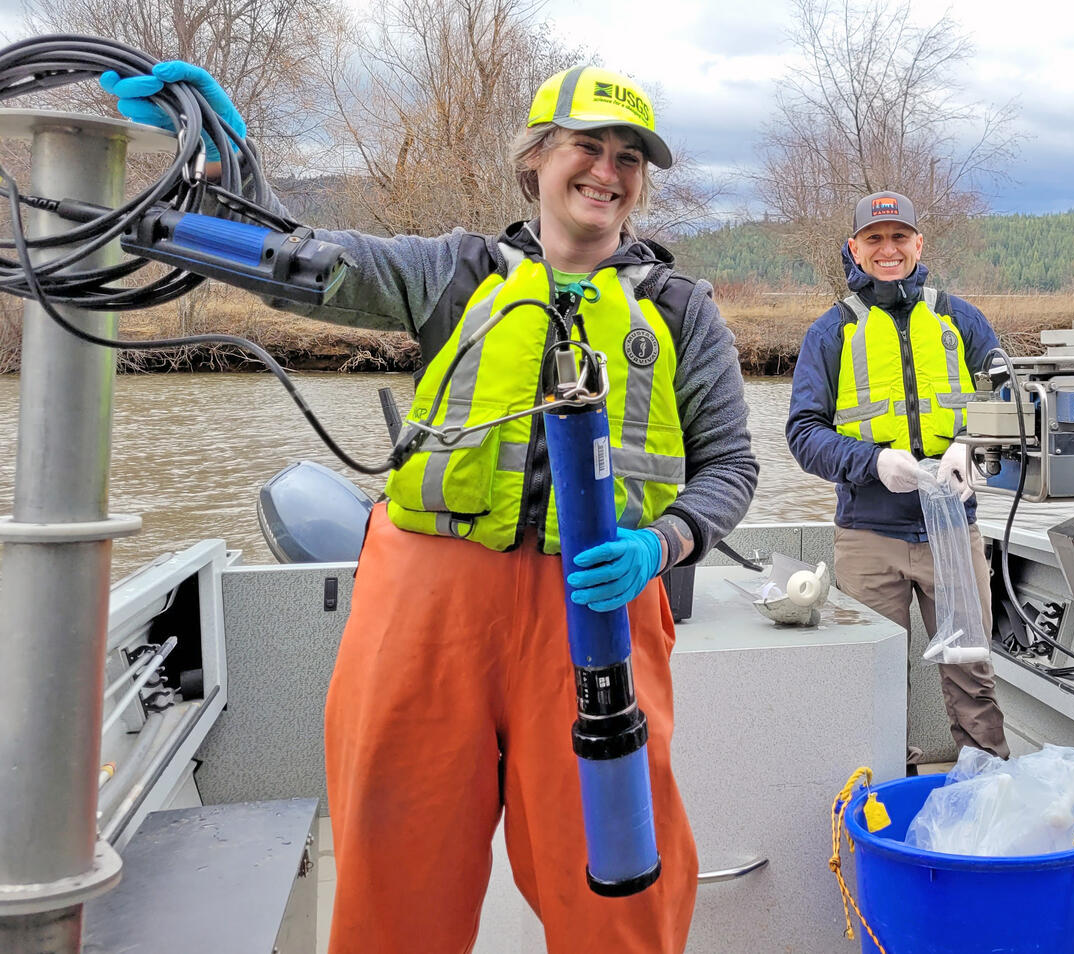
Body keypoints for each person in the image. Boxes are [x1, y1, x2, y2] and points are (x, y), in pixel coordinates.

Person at [103, 62, 758, 954]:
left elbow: (731, 467)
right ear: (536, 159)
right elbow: (303, 266)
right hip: (426, 610)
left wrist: (665, 544)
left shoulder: (682, 312)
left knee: (617, 889)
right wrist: (225, 169)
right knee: (396, 870)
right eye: (588, 147)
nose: (608, 171)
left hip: (597, 612)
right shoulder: (451, 271)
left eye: (629, 158)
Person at [786, 190, 1009, 763]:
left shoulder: (961, 319)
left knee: (973, 675)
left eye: (899, 237)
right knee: (875, 682)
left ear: (919, 244)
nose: (889, 249)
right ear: (856, 248)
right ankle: (886, 793)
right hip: (868, 537)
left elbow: (1011, 401)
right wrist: (875, 462)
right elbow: (803, 435)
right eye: (875, 239)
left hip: (953, 532)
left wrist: (970, 446)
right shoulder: (830, 332)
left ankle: (987, 785)